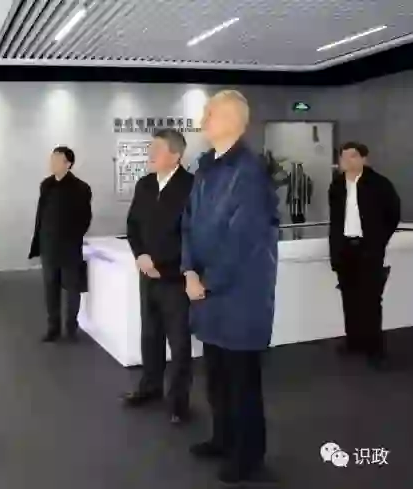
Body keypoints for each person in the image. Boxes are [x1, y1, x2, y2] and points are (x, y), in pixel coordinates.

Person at [181, 90, 279, 484]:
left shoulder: (250, 172)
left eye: (212, 112)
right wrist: (189, 271)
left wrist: (206, 281)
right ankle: (223, 439)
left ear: (235, 121)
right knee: (217, 376)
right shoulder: (206, 167)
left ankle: (248, 455)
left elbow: (244, 241)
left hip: (239, 296)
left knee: (242, 383)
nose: (204, 117)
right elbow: (188, 224)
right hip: (207, 293)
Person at [121, 129, 194, 425]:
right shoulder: (145, 184)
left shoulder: (192, 186)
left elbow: (193, 235)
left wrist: (161, 264)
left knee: (179, 343)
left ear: (175, 155)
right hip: (147, 274)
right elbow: (133, 225)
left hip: (175, 277)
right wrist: (140, 255)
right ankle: (150, 387)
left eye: (157, 149)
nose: (149, 154)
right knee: (150, 335)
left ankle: (178, 402)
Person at [328, 142, 400, 368]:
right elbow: (335, 220)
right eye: (343, 157)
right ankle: (354, 342)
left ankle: (375, 349)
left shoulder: (379, 184)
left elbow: (393, 213)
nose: (347, 161)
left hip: (369, 250)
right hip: (345, 249)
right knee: (349, 299)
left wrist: (378, 239)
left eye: (352, 156)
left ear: (363, 159)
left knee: (370, 300)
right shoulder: (337, 185)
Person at [29, 146, 92, 343]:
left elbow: (85, 218)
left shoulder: (81, 188)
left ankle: (71, 327)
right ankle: (53, 328)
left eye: (57, 160)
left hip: (70, 247)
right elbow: (41, 215)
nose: (52, 163)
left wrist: (73, 237)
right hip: (49, 246)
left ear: (68, 164)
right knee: (51, 289)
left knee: (72, 289)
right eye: (52, 159)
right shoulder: (46, 185)